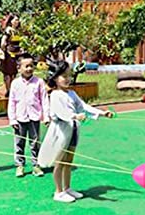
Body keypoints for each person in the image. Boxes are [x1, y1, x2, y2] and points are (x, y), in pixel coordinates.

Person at [38, 60, 113, 203]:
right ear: (54, 77)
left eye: (69, 76)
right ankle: (58, 191)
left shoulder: (72, 93)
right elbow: (60, 113)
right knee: (59, 162)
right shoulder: (55, 95)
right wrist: (74, 116)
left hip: (73, 130)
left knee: (68, 161)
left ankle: (67, 188)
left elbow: (84, 106)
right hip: (60, 132)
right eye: (63, 76)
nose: (67, 79)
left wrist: (102, 113)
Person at [8, 53, 48, 178]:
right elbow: (12, 102)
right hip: (20, 118)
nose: (29, 69)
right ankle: (20, 165)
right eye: (26, 66)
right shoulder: (15, 83)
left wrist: (46, 116)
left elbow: (44, 100)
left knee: (35, 142)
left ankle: (36, 165)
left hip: (34, 118)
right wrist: (12, 119)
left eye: (31, 66)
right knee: (19, 143)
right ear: (19, 68)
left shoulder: (39, 82)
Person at [1, 14, 21, 97]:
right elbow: (3, 41)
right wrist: (4, 51)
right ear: (11, 21)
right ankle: (8, 90)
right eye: (15, 20)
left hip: (17, 55)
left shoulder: (18, 31)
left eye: (18, 20)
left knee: (14, 73)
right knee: (8, 74)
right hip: (9, 55)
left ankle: (13, 90)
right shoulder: (9, 30)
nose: (17, 21)